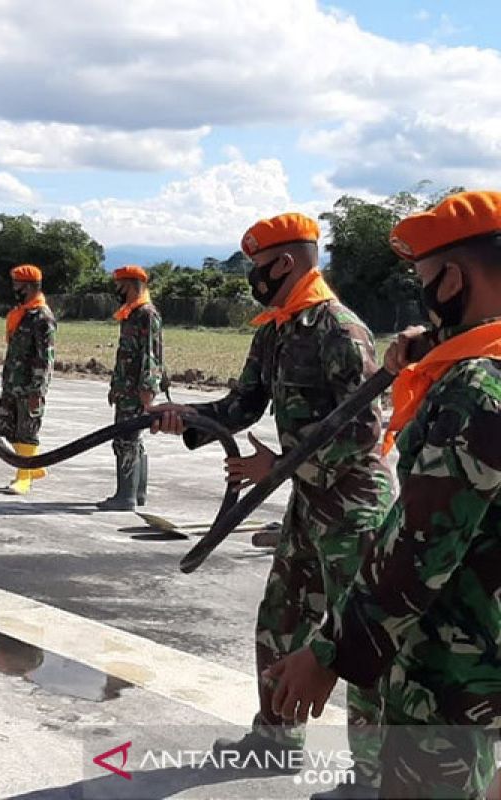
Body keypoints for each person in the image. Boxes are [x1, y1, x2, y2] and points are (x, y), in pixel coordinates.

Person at [266, 191, 501, 799]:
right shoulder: (475, 366)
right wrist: (432, 355)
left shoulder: (479, 386)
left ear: (454, 277)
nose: (424, 297)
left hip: (452, 670)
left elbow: (421, 548)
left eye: (426, 280)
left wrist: (329, 652)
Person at [151, 213, 391, 794]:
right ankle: (275, 741)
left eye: (258, 269)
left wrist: (276, 468)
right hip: (309, 503)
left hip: (354, 507)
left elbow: (363, 435)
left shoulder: (341, 330)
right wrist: (187, 420)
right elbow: (245, 403)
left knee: (356, 639)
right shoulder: (277, 329)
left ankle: (375, 774)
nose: (252, 279)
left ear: (285, 263)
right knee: (280, 620)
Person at [97, 265, 164, 511]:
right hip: (127, 388)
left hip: (136, 390)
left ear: (133, 285)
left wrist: (147, 389)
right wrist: (116, 386)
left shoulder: (145, 314)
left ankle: (126, 496)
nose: (117, 290)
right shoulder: (132, 313)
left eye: (120, 285)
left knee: (127, 440)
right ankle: (137, 492)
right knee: (133, 439)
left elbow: (151, 355)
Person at [0, 264, 57, 495]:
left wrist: (38, 390)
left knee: (27, 431)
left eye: (18, 285)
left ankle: (24, 477)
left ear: (31, 286)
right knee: (7, 428)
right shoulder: (22, 313)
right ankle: (35, 465)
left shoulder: (42, 317)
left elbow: (46, 358)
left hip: (29, 387)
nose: (15, 289)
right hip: (13, 382)